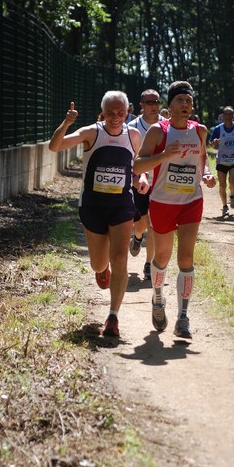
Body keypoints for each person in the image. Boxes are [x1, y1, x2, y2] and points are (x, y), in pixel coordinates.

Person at [49, 91, 149, 338]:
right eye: (111, 112)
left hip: (122, 205)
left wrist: (142, 178)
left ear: (128, 112)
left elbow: (136, 166)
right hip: (93, 206)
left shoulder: (134, 135)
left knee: (120, 259)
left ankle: (113, 317)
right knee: (99, 263)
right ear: (103, 112)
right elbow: (55, 146)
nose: (116, 117)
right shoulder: (91, 133)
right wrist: (67, 123)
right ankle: (101, 269)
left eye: (121, 112)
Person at [134, 80, 216, 340]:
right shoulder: (158, 131)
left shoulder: (200, 130)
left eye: (189, 101)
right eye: (180, 100)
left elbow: (202, 160)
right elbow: (137, 166)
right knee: (162, 257)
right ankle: (158, 298)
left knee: (186, 259)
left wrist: (207, 174)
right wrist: (164, 156)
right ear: (169, 106)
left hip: (191, 201)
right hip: (162, 202)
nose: (185, 105)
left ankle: (183, 317)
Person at [129, 89, 167, 280]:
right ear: (142, 105)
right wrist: (135, 176)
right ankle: (137, 236)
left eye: (156, 102)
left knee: (153, 225)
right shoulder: (133, 126)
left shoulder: (166, 126)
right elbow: (129, 155)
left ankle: (148, 263)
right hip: (139, 182)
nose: (154, 105)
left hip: (160, 182)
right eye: (149, 102)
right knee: (141, 224)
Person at [209, 106, 234, 217]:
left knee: (232, 182)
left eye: (231, 114)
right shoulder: (218, 129)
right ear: (223, 116)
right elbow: (210, 144)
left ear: (233, 116)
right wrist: (214, 143)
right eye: (226, 114)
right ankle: (225, 206)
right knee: (222, 185)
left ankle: (232, 194)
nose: (228, 117)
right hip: (221, 160)